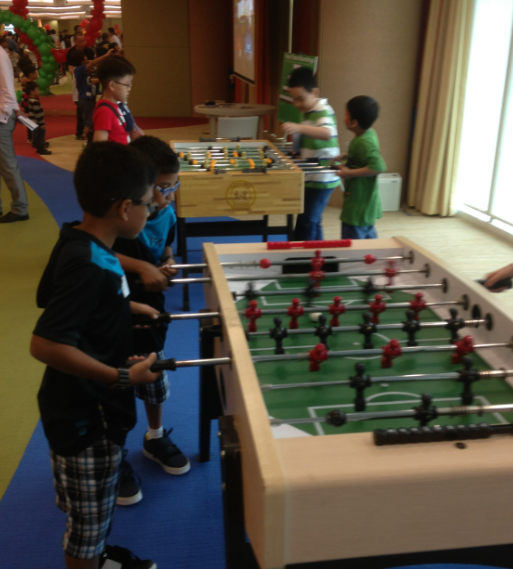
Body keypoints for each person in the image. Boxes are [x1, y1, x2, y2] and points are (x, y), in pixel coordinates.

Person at [30, 141, 161, 569]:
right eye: (147, 201)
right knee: (87, 529)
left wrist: (124, 306)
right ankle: (92, 558)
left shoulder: (79, 240)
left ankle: (99, 556)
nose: (152, 206)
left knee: (90, 511)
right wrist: (121, 378)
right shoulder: (90, 266)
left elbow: (61, 298)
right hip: (87, 417)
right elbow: (46, 343)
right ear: (124, 208)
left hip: (74, 406)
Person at [113, 136, 189, 505]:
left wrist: (168, 261)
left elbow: (167, 247)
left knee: (154, 374)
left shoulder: (168, 214)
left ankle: (155, 436)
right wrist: (142, 265)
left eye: (174, 185)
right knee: (117, 384)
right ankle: (114, 456)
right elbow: (103, 250)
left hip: (152, 311)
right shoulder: (121, 215)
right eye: (161, 187)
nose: (168, 194)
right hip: (114, 313)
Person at [281, 67, 341, 241]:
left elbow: (327, 133)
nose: (297, 104)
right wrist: (297, 152)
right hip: (312, 176)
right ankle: (317, 258)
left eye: (301, 98)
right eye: (294, 100)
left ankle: (303, 260)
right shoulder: (306, 113)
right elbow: (311, 139)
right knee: (313, 222)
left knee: (306, 223)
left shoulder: (323, 110)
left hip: (323, 177)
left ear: (314, 92)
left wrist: (299, 128)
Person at [336, 96, 386, 239]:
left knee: (353, 246)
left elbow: (379, 166)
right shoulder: (368, 134)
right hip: (365, 203)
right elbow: (364, 158)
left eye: (346, 115)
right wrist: (346, 156)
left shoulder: (363, 142)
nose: (344, 117)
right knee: (369, 240)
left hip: (358, 203)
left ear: (354, 122)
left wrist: (349, 173)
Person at [0, 36, 29, 223]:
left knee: (7, 164)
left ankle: (20, 208)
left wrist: (10, 109)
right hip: (4, 112)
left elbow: (7, 87)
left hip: (1, 117)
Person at [70, 48, 113, 144]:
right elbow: (93, 62)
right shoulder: (80, 69)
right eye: (85, 57)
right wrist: (105, 56)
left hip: (86, 98)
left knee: (89, 119)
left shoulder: (80, 70)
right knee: (88, 120)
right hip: (85, 98)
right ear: (82, 60)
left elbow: (90, 81)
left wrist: (101, 80)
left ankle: (88, 138)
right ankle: (86, 140)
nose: (87, 58)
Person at [93, 55, 136, 144]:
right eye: (127, 84)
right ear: (112, 85)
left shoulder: (116, 105)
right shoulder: (105, 111)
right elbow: (98, 148)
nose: (129, 89)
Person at [66, 32, 95, 141]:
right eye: (80, 41)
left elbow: (91, 65)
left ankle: (88, 131)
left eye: (84, 41)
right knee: (81, 111)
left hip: (88, 82)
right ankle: (80, 132)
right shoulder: (71, 53)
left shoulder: (89, 51)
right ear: (75, 41)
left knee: (89, 109)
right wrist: (77, 74)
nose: (83, 43)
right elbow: (70, 67)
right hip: (80, 84)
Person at [25, 81, 51, 156]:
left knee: (36, 135)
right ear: (32, 92)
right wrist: (41, 123)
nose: (39, 91)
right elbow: (38, 114)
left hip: (33, 122)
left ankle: (37, 145)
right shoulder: (35, 102)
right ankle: (41, 149)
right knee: (40, 136)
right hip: (38, 123)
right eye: (37, 90)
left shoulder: (30, 100)